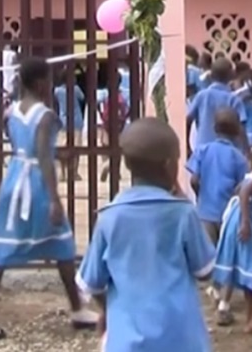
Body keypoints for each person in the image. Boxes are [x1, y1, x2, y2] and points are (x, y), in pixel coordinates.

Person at [0, 57, 96, 340]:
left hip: (13, 180)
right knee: (63, 244)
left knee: (1, 248)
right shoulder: (47, 116)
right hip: (36, 186)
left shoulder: (10, 112)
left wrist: (55, 153)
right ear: (42, 83)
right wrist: (54, 198)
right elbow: (42, 157)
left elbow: (25, 148)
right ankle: (77, 309)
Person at [76, 118, 216, 352]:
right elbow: (205, 270)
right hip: (181, 339)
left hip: (126, 340)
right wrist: (181, 196)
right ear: (170, 165)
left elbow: (91, 283)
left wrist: (108, 311)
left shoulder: (109, 217)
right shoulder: (183, 214)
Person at [214, 168, 252, 329]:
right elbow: (244, 192)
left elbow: (240, 189)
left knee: (250, 271)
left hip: (247, 219)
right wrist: (246, 221)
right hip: (248, 221)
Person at [187, 107, 250, 244]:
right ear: (237, 131)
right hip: (227, 216)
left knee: (207, 256)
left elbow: (193, 180)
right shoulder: (238, 158)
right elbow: (241, 188)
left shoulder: (202, 150)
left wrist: (200, 196)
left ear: (214, 128)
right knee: (224, 256)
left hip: (204, 214)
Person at [185, 59, 244, 153]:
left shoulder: (201, 96)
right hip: (228, 151)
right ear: (232, 75)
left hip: (202, 149)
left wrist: (187, 146)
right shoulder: (233, 99)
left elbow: (188, 120)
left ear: (211, 76)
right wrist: (247, 153)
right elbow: (241, 127)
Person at [54, 70, 87, 181]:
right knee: (75, 149)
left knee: (61, 148)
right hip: (76, 121)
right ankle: (73, 172)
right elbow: (82, 98)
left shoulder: (57, 91)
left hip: (63, 121)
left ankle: (61, 173)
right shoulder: (76, 89)